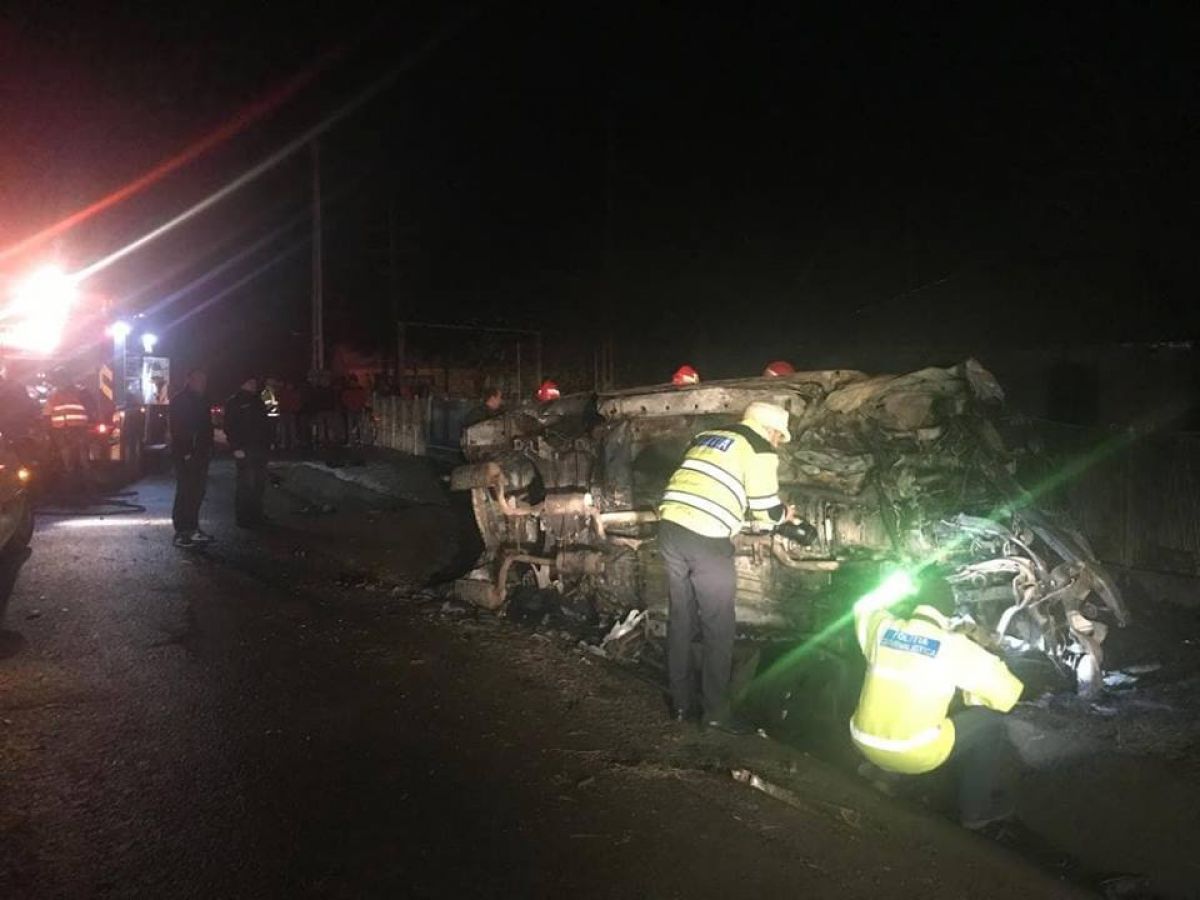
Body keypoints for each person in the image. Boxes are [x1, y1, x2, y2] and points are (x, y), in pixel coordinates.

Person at [657, 401, 794, 732]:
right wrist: (785, 515)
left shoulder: (709, 436)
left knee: (681, 620)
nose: (779, 443)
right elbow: (765, 509)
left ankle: (680, 706)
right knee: (718, 626)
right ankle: (715, 714)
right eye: (780, 436)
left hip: (670, 528)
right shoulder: (759, 447)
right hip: (705, 537)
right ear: (771, 431)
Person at [850, 577, 1024, 830]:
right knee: (991, 723)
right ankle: (975, 812)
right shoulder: (954, 647)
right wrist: (984, 653)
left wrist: (896, 587)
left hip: (862, 741)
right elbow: (1008, 695)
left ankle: (885, 776)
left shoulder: (882, 630)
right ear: (950, 613)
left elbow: (863, 605)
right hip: (916, 755)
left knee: (902, 697)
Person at [169, 368, 215, 548]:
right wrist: (187, 451)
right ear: (189, 380)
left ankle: (192, 528)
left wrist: (208, 448)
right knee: (186, 491)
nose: (202, 384)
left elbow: (205, 428)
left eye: (204, 380)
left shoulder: (201, 400)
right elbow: (179, 429)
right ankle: (182, 532)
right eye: (198, 380)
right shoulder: (181, 401)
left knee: (197, 492)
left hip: (200, 452)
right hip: (188, 454)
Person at [223, 375, 272, 528]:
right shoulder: (235, 402)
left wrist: (269, 442)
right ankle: (244, 517)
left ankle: (256, 514)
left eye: (254, 382)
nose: (254, 384)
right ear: (242, 384)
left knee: (259, 484)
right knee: (246, 483)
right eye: (250, 382)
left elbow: (267, 422)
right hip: (245, 448)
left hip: (260, 447)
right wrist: (236, 447)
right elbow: (230, 426)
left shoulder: (259, 400)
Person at [44, 374, 93, 494]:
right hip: (78, 429)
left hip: (61, 430)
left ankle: (72, 490)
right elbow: (91, 409)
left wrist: (48, 430)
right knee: (83, 459)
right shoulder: (81, 392)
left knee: (67, 460)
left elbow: (47, 413)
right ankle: (87, 489)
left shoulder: (54, 395)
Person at [340, 374, 368, 444]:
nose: (352, 383)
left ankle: (360, 440)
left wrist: (360, 405)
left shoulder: (359, 390)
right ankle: (352, 440)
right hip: (351, 410)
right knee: (351, 426)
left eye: (353, 381)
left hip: (357, 410)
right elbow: (344, 399)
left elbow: (364, 398)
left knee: (359, 426)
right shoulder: (348, 390)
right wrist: (349, 405)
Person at [276, 380, 301, 451]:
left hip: (291, 412)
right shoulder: (283, 392)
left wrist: (295, 410)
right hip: (284, 412)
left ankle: (292, 443)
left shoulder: (294, 393)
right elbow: (278, 398)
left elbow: (297, 402)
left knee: (292, 429)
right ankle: (284, 443)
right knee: (284, 429)